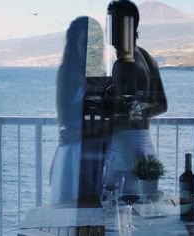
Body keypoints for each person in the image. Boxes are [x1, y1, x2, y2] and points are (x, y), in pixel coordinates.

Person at [105, 0, 168, 178]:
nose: (106, 28)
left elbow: (120, 115)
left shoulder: (122, 64)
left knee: (119, 203)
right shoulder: (148, 58)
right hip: (145, 144)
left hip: (124, 148)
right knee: (144, 203)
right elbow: (161, 105)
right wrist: (138, 109)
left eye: (111, 22)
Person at [50, 16, 105, 204]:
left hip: (95, 150)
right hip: (74, 151)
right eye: (85, 41)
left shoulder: (98, 73)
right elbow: (64, 119)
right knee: (71, 208)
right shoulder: (66, 72)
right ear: (75, 43)